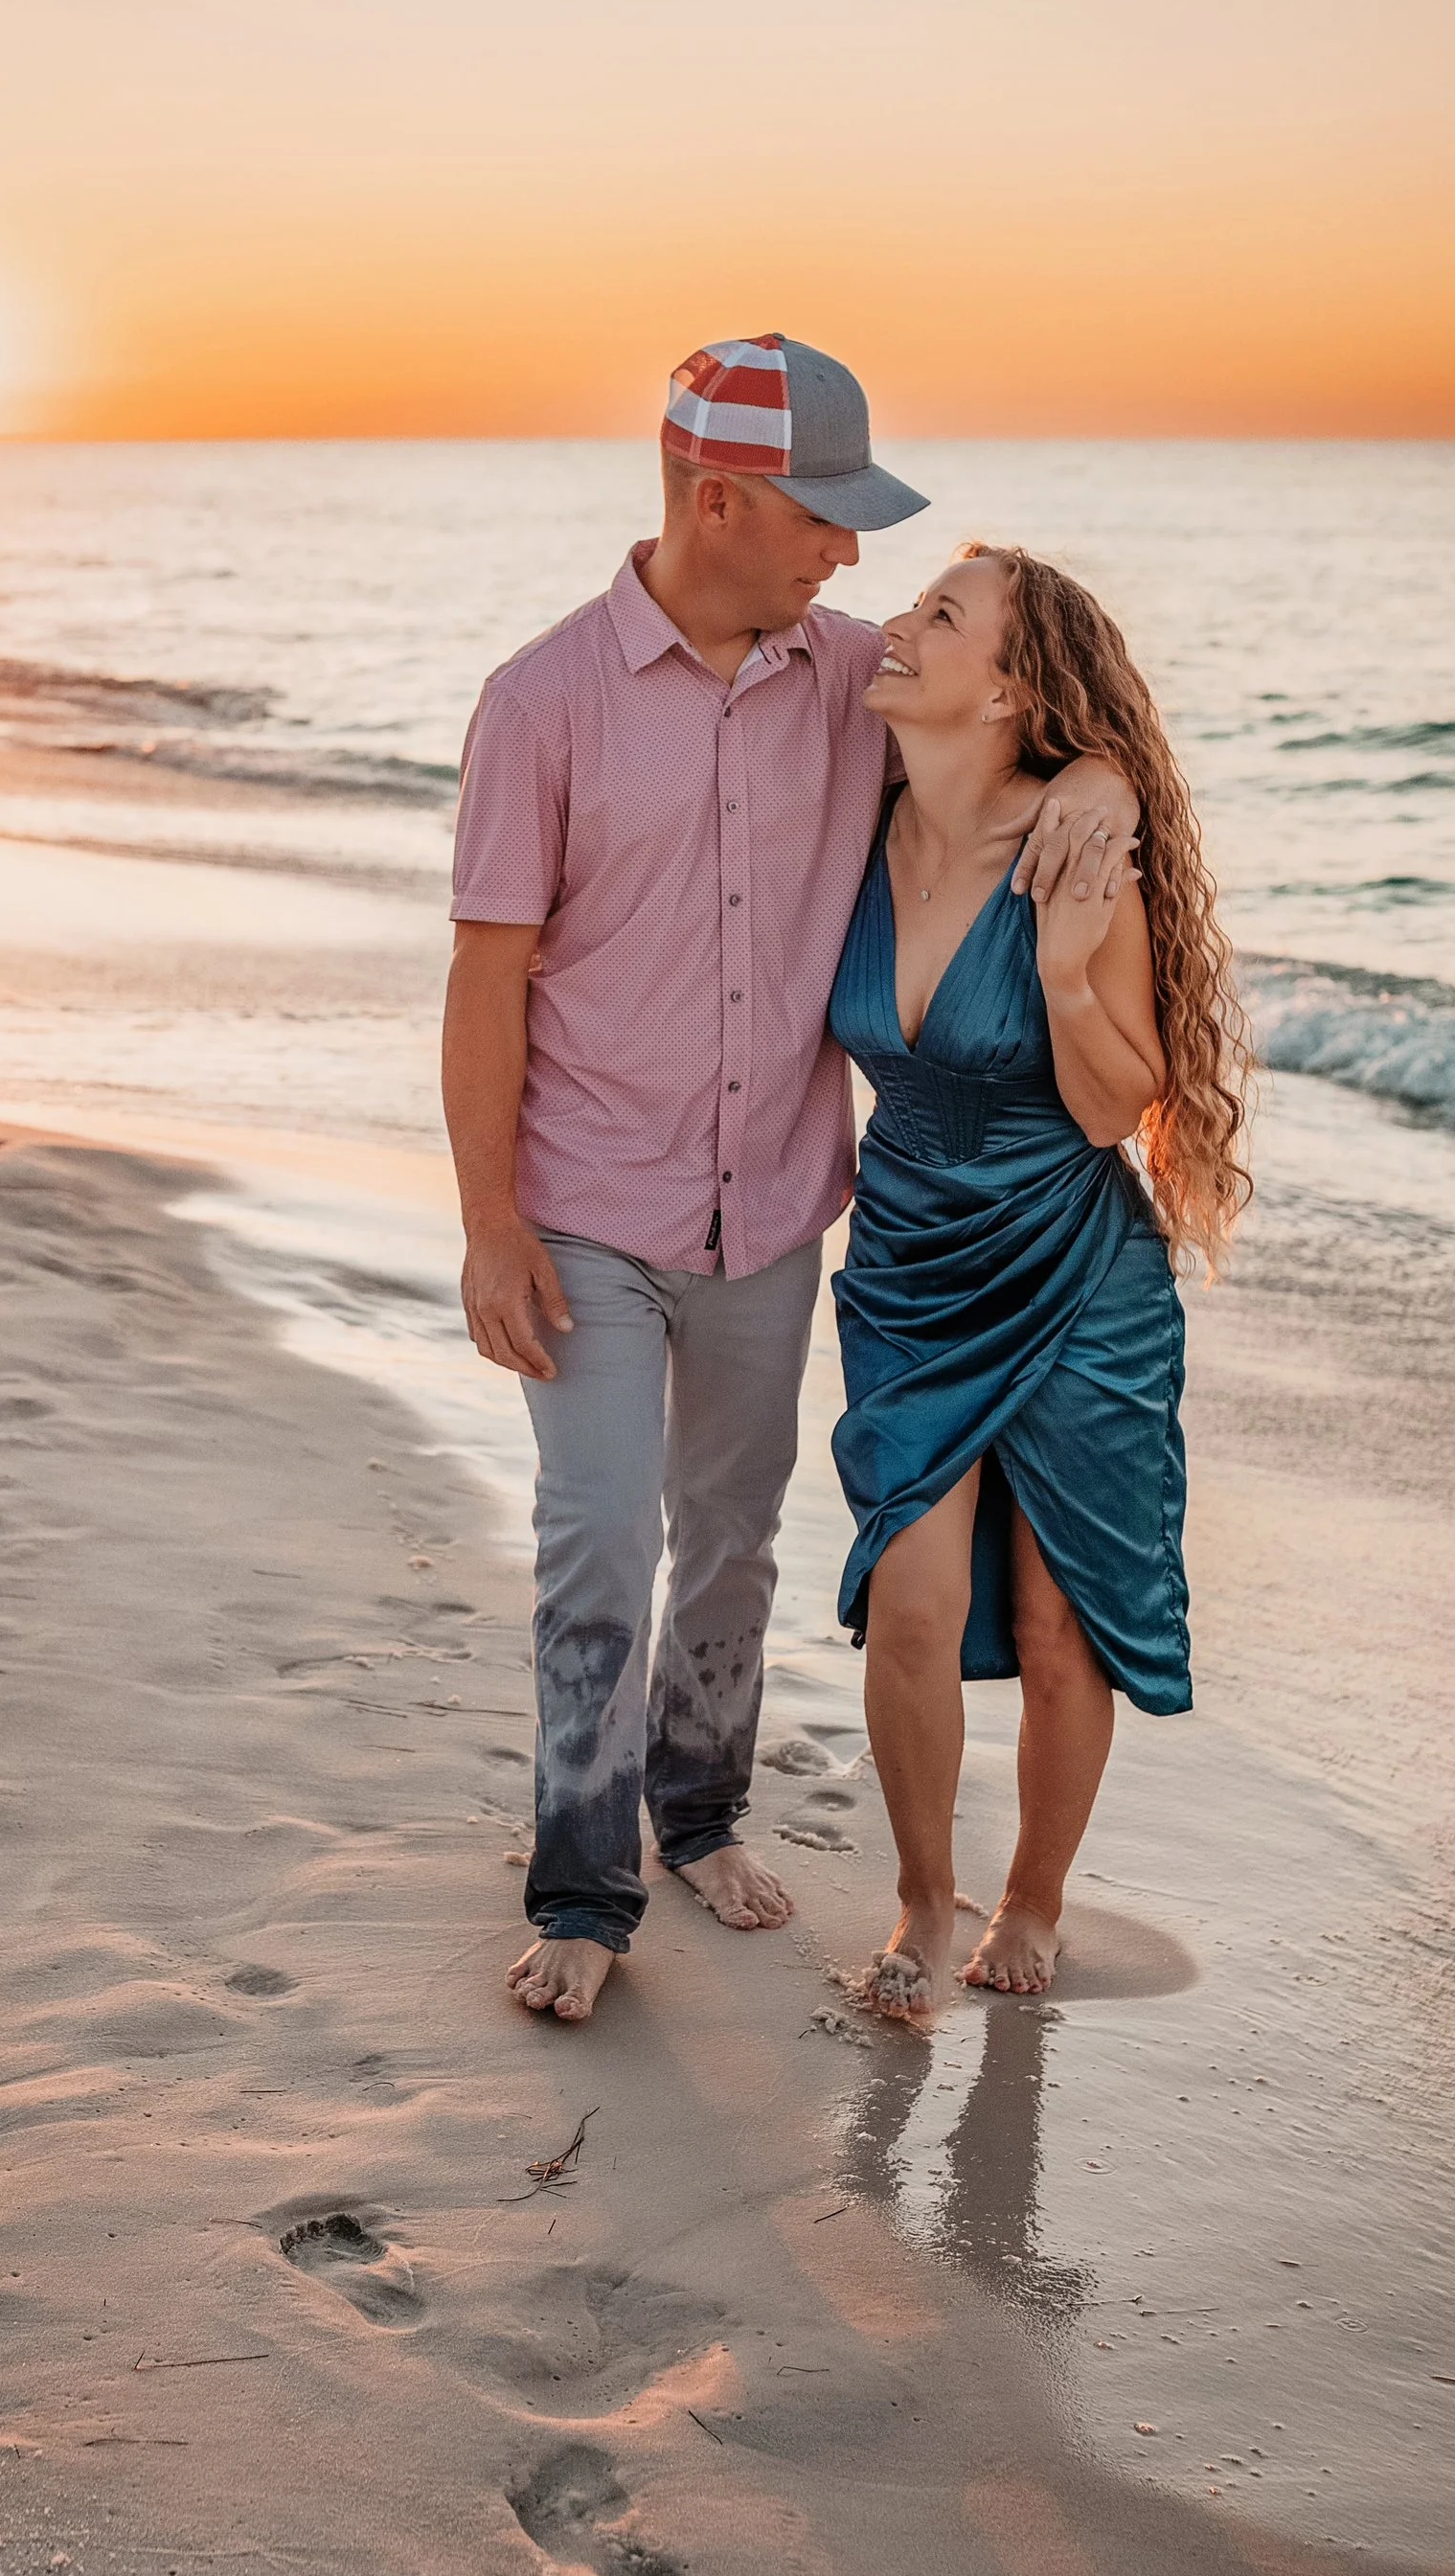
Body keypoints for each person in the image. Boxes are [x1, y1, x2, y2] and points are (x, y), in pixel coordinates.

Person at [444, 337, 1134, 2025]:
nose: (849, 556)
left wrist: (1103, 777)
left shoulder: (852, 682)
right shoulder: (542, 704)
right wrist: (486, 1224)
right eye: (824, 519)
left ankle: (697, 1811)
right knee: (600, 1537)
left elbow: (1018, 749)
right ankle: (583, 1884)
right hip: (588, 1208)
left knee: (734, 1538)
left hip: (771, 1216)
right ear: (720, 498)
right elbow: (485, 981)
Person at [828, 544, 1249, 2015]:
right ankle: (918, 1900)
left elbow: (1108, 1106)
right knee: (916, 1601)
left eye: (941, 615)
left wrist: (1068, 973)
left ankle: (1034, 1898)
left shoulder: (1071, 848)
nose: (899, 620)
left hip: (1074, 1262)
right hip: (905, 1263)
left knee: (1065, 1622)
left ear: (1009, 688)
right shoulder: (859, 815)